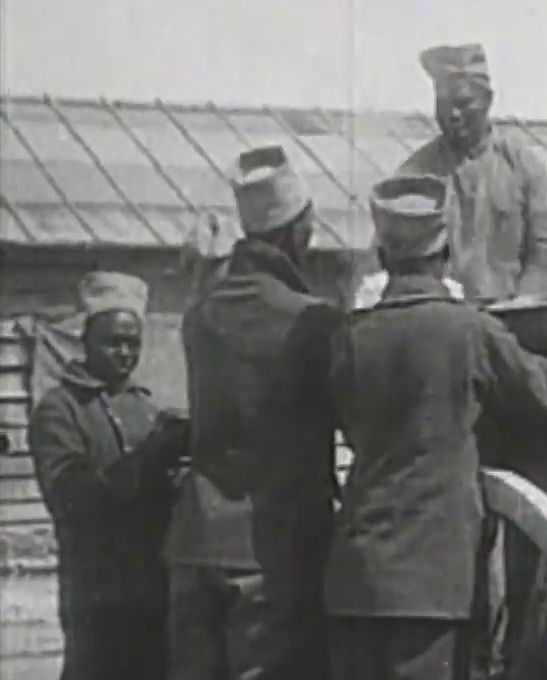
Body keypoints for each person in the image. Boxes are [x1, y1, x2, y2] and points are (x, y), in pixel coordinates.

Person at [324, 173, 547, 680]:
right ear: (446, 252)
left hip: (354, 579)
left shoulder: (349, 339)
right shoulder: (469, 332)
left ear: (383, 256)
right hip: (429, 584)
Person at [165, 145, 343, 680]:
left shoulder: (202, 315)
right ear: (297, 231)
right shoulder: (313, 320)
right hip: (273, 551)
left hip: (198, 542)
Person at [28, 271, 189, 680]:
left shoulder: (147, 409)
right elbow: (72, 499)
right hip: (96, 591)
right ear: (85, 341)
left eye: (133, 343)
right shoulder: (60, 409)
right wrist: (152, 455)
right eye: (112, 342)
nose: (124, 353)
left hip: (154, 587)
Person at [397, 43, 547, 301]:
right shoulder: (415, 174)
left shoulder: (524, 167)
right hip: (443, 314)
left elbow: (543, 252)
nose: (453, 115)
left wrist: (523, 302)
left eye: (463, 103)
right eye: (443, 104)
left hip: (510, 313)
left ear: (488, 101)